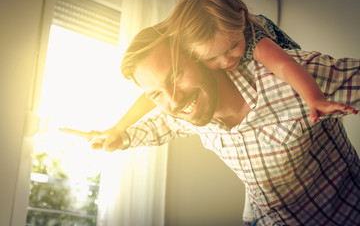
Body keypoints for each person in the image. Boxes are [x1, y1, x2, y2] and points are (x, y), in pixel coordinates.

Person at [81, 25, 360, 225]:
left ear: (200, 57)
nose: (174, 100)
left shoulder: (287, 81)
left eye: (175, 76)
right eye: (156, 93)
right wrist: (121, 138)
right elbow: (161, 126)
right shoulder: (192, 111)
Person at [96, 0, 354, 150]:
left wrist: (315, 98)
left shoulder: (254, 43)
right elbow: (154, 104)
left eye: (231, 47)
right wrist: (119, 129)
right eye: (212, 58)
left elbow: (286, 67)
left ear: (241, 19)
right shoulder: (188, 51)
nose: (226, 61)